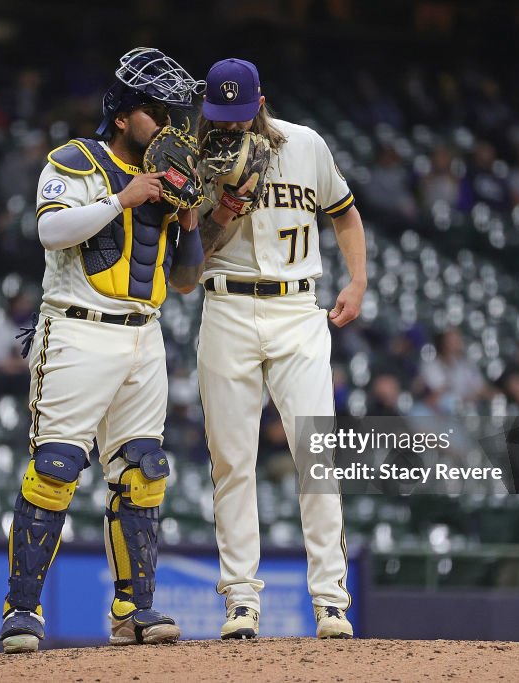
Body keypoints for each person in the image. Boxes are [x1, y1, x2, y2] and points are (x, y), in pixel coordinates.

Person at [0, 47, 205, 654]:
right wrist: (125, 197)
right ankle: (23, 610)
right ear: (123, 115)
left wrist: (189, 220)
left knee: (143, 471)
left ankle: (133, 611)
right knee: (56, 467)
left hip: (145, 333)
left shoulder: (168, 177)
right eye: (157, 114)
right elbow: (49, 230)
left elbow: (187, 280)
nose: (170, 127)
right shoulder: (76, 159)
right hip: (77, 326)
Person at [194, 58, 366, 640]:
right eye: (221, 116)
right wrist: (222, 208)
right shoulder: (198, 154)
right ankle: (241, 599)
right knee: (232, 461)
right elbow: (188, 267)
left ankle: (330, 600)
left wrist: (358, 280)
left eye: (240, 115)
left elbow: (345, 215)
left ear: (260, 101)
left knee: (317, 456)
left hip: (297, 308)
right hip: (227, 306)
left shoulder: (306, 144)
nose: (232, 126)